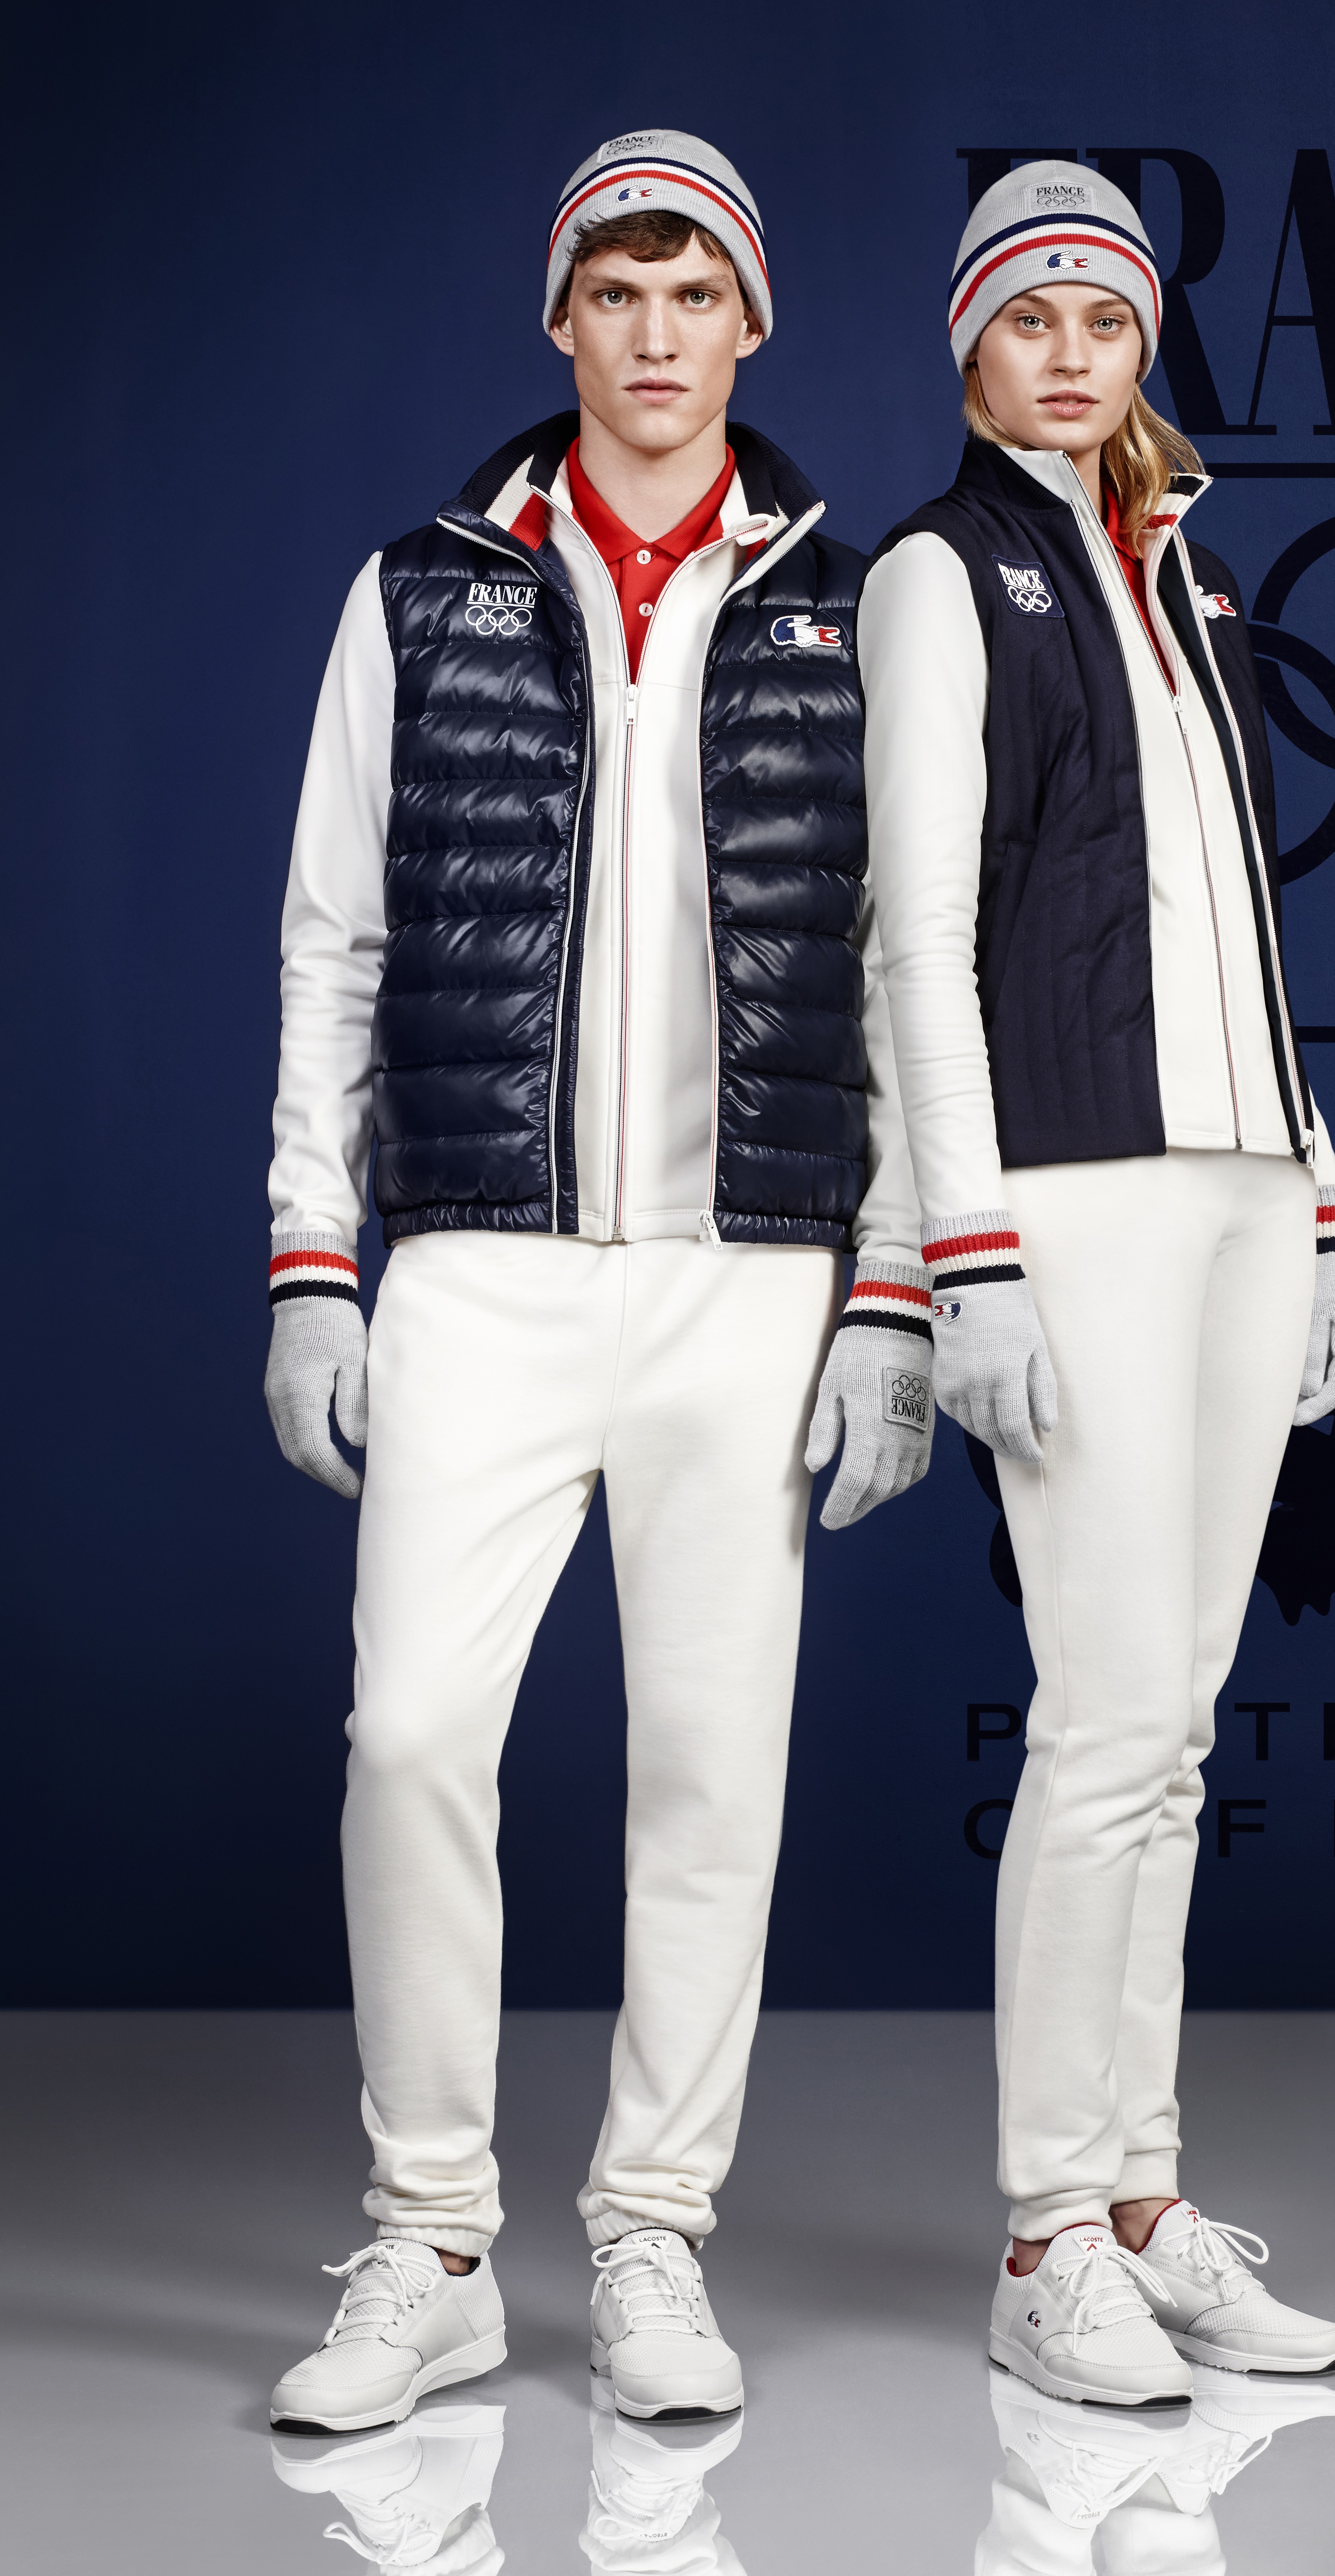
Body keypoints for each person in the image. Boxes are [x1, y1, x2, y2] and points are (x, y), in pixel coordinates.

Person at [262, 127, 932, 2435]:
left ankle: (652, 2236)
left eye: (693, 295)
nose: (656, 336)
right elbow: (335, 943)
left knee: (708, 1775)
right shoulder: (422, 591)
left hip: (752, 1275)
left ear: (754, 325)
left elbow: (901, 966)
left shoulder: (863, 601)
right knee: (411, 1742)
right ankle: (431, 2243)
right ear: (562, 322)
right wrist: (313, 1260)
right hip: (479, 1266)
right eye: (615, 295)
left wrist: (889, 1288)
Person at [861, 162, 1335, 2406]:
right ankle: (1044, 2232)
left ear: (1144, 341)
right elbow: (914, 939)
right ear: (969, 346)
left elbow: (1242, 917)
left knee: (1176, 1724)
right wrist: (960, 1254)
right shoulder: (935, 576)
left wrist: (1326, 1198)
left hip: (1246, 1194)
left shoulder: (1194, 577)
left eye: (1105, 316)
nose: (1070, 353)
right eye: (1030, 315)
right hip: (1074, 1193)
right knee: (1101, 1720)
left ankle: (1145, 2205)